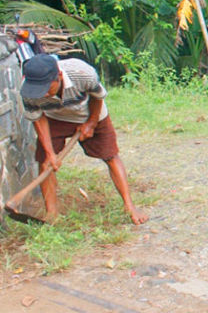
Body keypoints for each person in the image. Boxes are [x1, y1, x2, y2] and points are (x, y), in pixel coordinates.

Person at [20, 54, 148, 224]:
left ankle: (129, 205)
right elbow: (38, 119)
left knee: (110, 156)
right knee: (45, 163)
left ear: (58, 74)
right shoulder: (28, 90)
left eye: (45, 87)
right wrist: (50, 153)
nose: (41, 93)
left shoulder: (81, 73)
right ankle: (51, 214)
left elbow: (97, 97)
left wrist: (91, 123)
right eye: (37, 89)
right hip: (55, 117)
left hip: (90, 112)